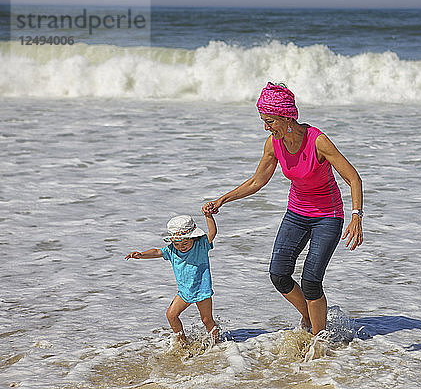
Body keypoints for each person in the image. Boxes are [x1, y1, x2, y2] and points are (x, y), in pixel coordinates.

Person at [202, 82, 363, 336]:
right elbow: (257, 181)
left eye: (270, 121)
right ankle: (309, 317)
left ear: (287, 117)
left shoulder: (317, 141)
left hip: (327, 216)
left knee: (311, 281)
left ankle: (318, 341)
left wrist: (356, 216)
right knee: (279, 274)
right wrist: (223, 199)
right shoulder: (273, 143)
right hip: (297, 213)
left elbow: (353, 177)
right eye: (263, 121)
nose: (266, 127)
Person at [126, 214, 219, 345]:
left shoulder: (201, 245)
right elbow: (157, 252)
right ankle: (182, 343)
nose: (181, 246)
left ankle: (217, 344)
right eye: (177, 243)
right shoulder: (172, 250)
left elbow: (212, 232)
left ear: (193, 237)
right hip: (184, 292)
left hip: (202, 290)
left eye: (185, 242)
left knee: (207, 320)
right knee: (171, 315)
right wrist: (141, 255)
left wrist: (208, 216)